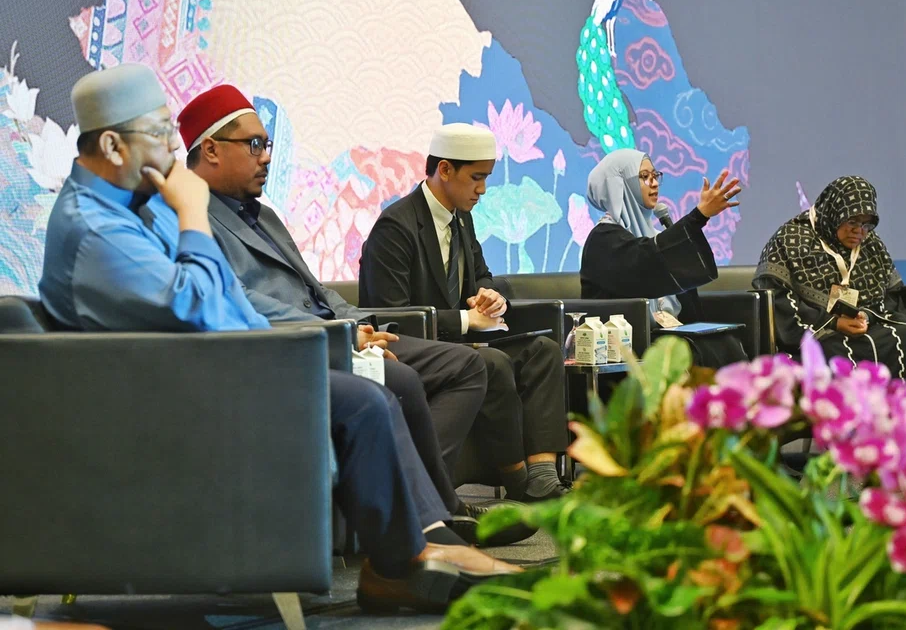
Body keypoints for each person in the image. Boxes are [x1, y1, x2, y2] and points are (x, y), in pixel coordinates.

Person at [38, 63, 519, 612]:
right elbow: (203, 305)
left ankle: (410, 552)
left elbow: (217, 303)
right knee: (365, 398)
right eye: (160, 134)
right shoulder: (100, 229)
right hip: (166, 401)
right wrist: (193, 215)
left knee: (374, 391)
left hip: (192, 371)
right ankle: (405, 561)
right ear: (112, 145)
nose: (174, 150)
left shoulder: (123, 213)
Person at [173, 84, 533, 547]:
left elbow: (315, 287)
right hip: (293, 344)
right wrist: (342, 332)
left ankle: (436, 509)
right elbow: (236, 300)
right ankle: (435, 519)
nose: (266, 157)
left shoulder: (264, 217)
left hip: (341, 332)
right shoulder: (192, 218)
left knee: (467, 366)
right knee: (398, 379)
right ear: (211, 150)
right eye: (255, 144)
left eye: (268, 145)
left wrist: (359, 324)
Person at [359, 123, 570, 503]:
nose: (483, 189)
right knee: (492, 362)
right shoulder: (396, 226)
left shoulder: (461, 218)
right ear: (444, 170)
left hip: (467, 343)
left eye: (487, 177)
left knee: (543, 350)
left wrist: (490, 297)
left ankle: (542, 474)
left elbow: (482, 276)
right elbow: (389, 316)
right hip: (421, 350)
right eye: (476, 178)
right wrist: (463, 319)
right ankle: (517, 478)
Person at [580, 149, 748, 368]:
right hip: (628, 346)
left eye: (655, 175)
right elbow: (645, 264)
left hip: (670, 336)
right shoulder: (602, 240)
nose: (654, 183)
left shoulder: (651, 233)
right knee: (703, 351)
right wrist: (698, 217)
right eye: (643, 177)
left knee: (726, 342)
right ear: (620, 186)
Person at [753, 175, 906, 387]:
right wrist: (834, 323)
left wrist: (866, 317)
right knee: (833, 349)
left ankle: (904, 416)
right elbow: (777, 300)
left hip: (863, 324)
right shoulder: (790, 240)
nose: (859, 232)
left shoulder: (871, 244)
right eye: (852, 221)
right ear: (834, 213)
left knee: (905, 337)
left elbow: (891, 296)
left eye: (866, 224)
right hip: (816, 329)